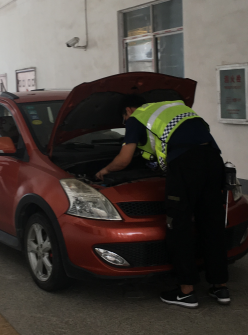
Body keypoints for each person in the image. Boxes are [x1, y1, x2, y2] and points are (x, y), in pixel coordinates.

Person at [95, 94, 229, 309]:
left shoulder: (137, 117)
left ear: (128, 110)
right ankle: (220, 287)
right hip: (213, 161)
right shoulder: (174, 108)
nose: (126, 123)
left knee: (179, 226)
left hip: (186, 164)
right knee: (212, 223)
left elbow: (123, 160)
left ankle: (186, 292)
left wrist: (105, 170)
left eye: (123, 120)